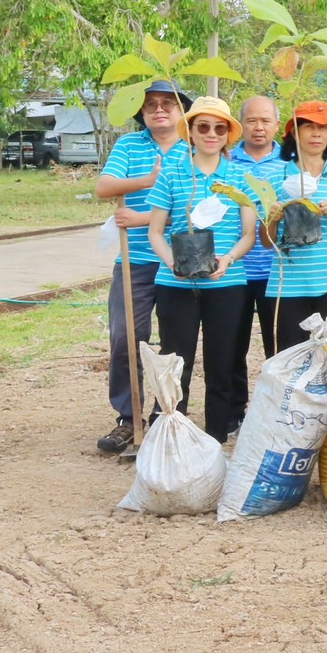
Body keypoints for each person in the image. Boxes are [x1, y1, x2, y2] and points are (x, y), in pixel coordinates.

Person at [145, 97, 257, 443]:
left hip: (227, 284)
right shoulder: (174, 173)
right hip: (175, 285)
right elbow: (155, 231)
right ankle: (171, 436)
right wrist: (172, 263)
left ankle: (215, 438)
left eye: (219, 127)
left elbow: (249, 234)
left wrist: (228, 260)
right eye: (203, 127)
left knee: (222, 365)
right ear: (190, 132)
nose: (211, 134)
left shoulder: (240, 177)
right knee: (176, 364)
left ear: (228, 134)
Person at [94, 79, 190, 455]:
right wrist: (148, 180)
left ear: (182, 110)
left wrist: (144, 217)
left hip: (175, 259)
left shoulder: (192, 148)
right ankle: (128, 417)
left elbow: (194, 207)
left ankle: (163, 413)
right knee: (125, 338)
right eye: (151, 105)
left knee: (174, 342)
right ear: (143, 113)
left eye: (168, 103)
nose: (160, 109)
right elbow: (105, 186)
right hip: (133, 260)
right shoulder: (129, 145)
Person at [264, 101, 327, 349]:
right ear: (294, 133)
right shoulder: (275, 179)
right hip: (288, 285)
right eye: (308, 127)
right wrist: (273, 219)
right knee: (291, 362)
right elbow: (266, 242)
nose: (316, 133)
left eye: (323, 128)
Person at [228, 96, 284, 423]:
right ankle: (235, 413)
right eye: (251, 120)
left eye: (265, 120)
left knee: (278, 347)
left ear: (277, 124)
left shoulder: (290, 163)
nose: (258, 127)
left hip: (276, 271)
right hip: (235, 270)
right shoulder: (227, 160)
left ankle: (275, 411)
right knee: (232, 345)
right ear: (241, 125)